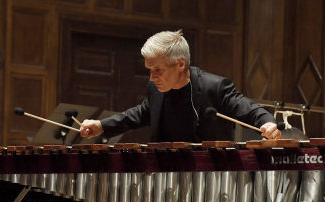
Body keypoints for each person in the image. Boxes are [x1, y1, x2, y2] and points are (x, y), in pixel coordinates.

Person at [80, 30, 280, 142]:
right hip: (165, 176)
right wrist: (101, 126)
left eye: (158, 70)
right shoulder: (156, 90)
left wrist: (268, 123)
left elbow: (248, 109)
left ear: (180, 64)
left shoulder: (214, 87)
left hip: (209, 179)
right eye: (149, 70)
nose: (152, 78)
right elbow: (141, 114)